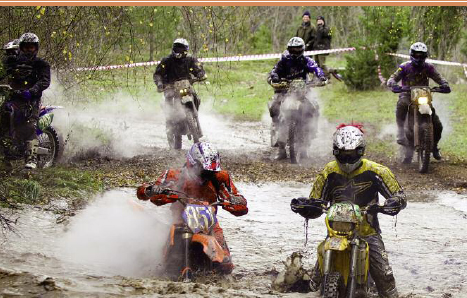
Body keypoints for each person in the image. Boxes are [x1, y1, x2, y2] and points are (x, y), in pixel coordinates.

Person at [291, 124, 407, 298]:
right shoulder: (328, 172)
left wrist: (393, 203)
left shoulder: (377, 171)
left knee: (387, 282)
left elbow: (399, 195)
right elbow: (317, 203)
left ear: (361, 151)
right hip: (335, 234)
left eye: (351, 154)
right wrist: (304, 207)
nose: (346, 159)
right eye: (342, 154)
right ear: (335, 152)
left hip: (368, 233)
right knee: (312, 287)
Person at [136, 142, 248, 274]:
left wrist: (234, 201)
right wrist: (152, 190)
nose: (206, 175)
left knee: (226, 265)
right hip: (180, 221)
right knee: (160, 263)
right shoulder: (174, 175)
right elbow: (142, 192)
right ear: (192, 163)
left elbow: (238, 201)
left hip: (210, 224)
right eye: (204, 171)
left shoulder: (220, 178)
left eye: (210, 172)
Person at [386, 42, 451, 163]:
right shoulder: (404, 67)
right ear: (411, 55)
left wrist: (444, 84)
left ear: (425, 56)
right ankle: (400, 132)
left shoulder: (429, 67)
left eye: (421, 55)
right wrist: (393, 84)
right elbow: (393, 78)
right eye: (416, 55)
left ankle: (434, 147)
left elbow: (439, 77)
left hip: (423, 95)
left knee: (437, 124)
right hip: (406, 94)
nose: (419, 58)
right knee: (401, 105)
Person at [267, 37, 326, 160]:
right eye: (293, 49)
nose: (295, 51)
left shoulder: (306, 60)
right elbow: (274, 71)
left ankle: (307, 143)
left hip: (303, 90)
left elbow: (316, 68)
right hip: (285, 89)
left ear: (302, 50)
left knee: (314, 107)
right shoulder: (284, 60)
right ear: (289, 49)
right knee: (275, 106)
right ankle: (281, 148)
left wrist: (321, 76)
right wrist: (275, 77)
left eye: (298, 49)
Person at [0, 33, 51, 169]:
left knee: (29, 125)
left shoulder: (41, 64)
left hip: (31, 100)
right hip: (12, 98)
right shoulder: (11, 62)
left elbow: (44, 81)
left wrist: (32, 91)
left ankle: (32, 158)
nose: (29, 50)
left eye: (31, 47)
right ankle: (6, 157)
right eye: (26, 47)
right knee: (3, 118)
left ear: (36, 48)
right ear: (21, 48)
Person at [153, 38, 207, 148]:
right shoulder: (166, 61)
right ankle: (170, 126)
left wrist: (200, 74)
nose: (178, 51)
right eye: (176, 48)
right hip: (170, 88)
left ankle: (194, 119)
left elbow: (198, 68)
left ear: (185, 50)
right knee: (169, 103)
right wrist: (159, 83)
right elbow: (158, 74)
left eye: (181, 49)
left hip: (186, 87)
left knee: (196, 98)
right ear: (173, 48)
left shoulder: (190, 60)